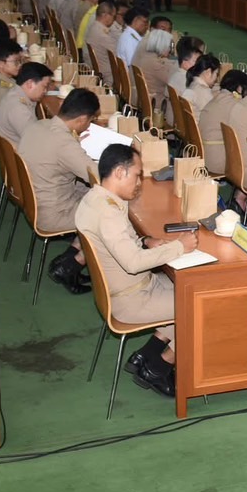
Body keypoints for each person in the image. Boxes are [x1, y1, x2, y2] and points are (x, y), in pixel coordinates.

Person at [75, 144, 198, 398]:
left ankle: (149, 351)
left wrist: (146, 242)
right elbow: (132, 263)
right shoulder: (108, 213)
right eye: (137, 175)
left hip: (133, 287)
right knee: (203, 303)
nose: (140, 181)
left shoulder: (95, 199)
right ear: (120, 172)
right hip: (132, 298)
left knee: (194, 287)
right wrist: (179, 246)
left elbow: (118, 245)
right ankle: (159, 365)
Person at [19, 89, 101, 294]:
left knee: (91, 196)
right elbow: (97, 177)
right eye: (90, 121)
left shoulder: (39, 124)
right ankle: (72, 263)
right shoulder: (64, 145)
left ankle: (69, 259)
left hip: (34, 200)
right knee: (109, 210)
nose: (89, 125)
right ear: (82, 119)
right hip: (53, 212)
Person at [199, 68, 245, 177]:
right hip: (216, 160)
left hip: (202, 153)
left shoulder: (217, 97)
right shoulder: (235, 104)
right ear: (239, 88)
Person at [0, 61, 51, 148]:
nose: (45, 91)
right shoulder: (18, 108)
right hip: (21, 156)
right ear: (30, 84)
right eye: (44, 86)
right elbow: (35, 139)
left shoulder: (16, 94)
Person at [0, 38, 23, 115]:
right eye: (16, 62)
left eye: (20, 61)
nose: (20, 65)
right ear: (1, 64)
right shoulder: (2, 90)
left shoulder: (4, 79)